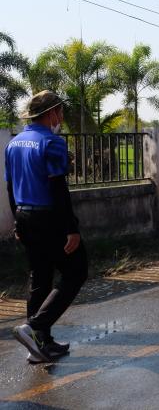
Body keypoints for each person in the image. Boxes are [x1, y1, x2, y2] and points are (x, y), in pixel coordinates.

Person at [5, 91, 87, 364]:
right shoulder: (52, 143)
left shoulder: (13, 144)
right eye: (60, 112)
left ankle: (40, 346)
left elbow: (10, 187)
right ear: (51, 113)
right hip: (49, 218)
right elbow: (58, 189)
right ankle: (35, 328)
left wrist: (17, 221)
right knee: (76, 271)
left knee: (40, 279)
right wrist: (71, 228)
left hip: (25, 217)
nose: (61, 117)